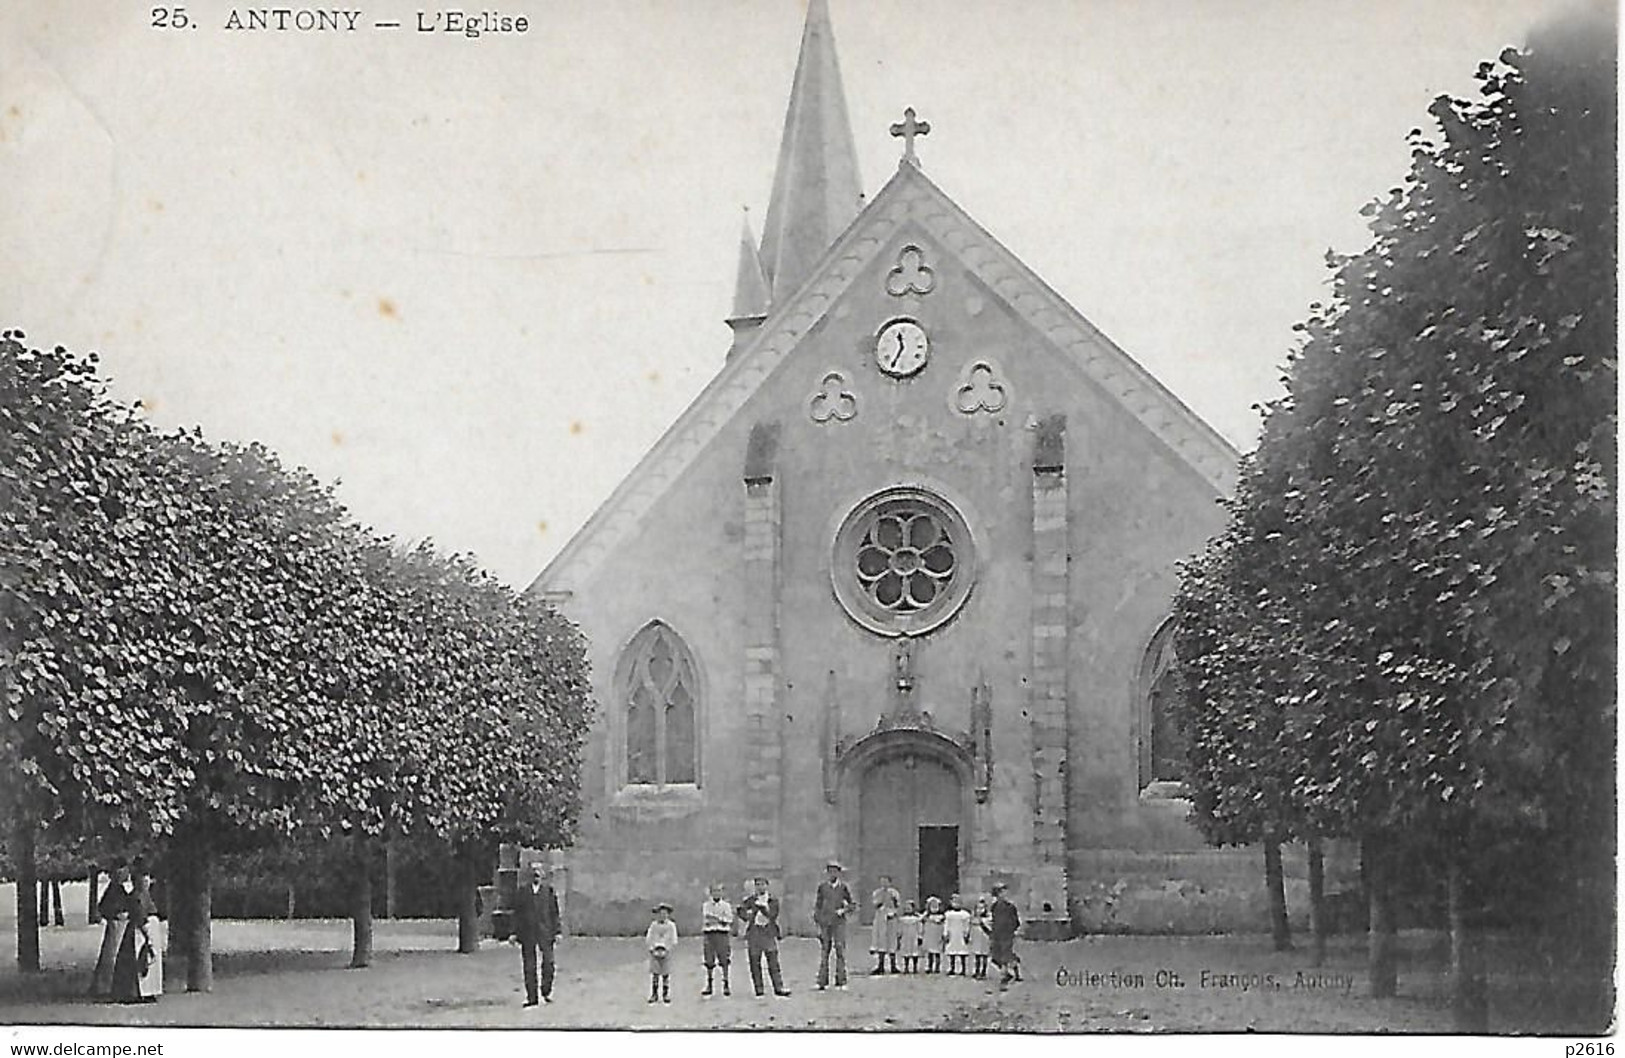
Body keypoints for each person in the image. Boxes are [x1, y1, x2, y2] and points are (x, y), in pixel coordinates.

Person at [111, 862, 161, 1003]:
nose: (147, 882)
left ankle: (148, 991)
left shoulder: (144, 896)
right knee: (138, 960)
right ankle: (135, 993)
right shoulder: (137, 896)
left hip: (146, 927)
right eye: (144, 880)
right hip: (139, 931)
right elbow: (140, 916)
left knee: (147, 961)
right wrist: (147, 935)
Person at [514, 862, 562, 1008]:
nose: (536, 874)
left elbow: (554, 913)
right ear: (530, 875)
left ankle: (546, 991)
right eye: (533, 871)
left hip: (545, 932)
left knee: (549, 963)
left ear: (543, 875)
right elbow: (518, 915)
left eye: (539, 871)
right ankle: (532, 997)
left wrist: (557, 932)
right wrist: (514, 933)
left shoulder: (548, 892)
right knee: (529, 966)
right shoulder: (522, 892)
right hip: (527, 933)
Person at [736, 876, 791, 998]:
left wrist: (763, 908)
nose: (760, 887)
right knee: (754, 961)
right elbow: (740, 910)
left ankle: (778, 987)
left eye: (762, 884)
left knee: (773, 961)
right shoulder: (750, 900)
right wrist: (747, 916)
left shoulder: (773, 901)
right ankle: (759, 988)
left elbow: (772, 915)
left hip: (768, 932)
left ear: (767, 886)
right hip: (755, 932)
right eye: (758, 884)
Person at [88, 861, 131, 997]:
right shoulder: (114, 890)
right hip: (116, 925)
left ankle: (106, 985)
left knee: (111, 955)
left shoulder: (118, 889)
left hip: (119, 925)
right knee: (111, 955)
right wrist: (115, 915)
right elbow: (104, 908)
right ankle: (105, 986)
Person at [812, 860, 855, 990]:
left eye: (835, 871)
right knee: (825, 952)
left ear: (838, 873)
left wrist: (844, 910)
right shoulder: (823, 887)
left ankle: (841, 981)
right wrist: (819, 922)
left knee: (840, 950)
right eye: (830, 871)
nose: (832, 874)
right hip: (826, 923)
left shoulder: (843, 888)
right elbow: (818, 906)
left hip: (839, 923)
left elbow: (852, 905)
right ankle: (822, 981)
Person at [700, 882, 734, 997]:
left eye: (719, 891)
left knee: (724, 959)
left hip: (722, 934)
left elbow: (728, 920)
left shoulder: (726, 906)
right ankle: (709, 984)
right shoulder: (706, 905)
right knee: (709, 960)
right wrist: (720, 919)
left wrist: (717, 919)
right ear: (710, 893)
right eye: (714, 891)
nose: (716, 893)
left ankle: (726, 984)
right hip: (710, 933)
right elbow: (707, 919)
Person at [990, 881, 1023, 989]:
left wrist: (1013, 930)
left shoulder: (1010, 907)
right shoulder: (994, 907)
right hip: (996, 934)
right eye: (1000, 893)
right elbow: (993, 920)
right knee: (995, 956)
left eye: (1004, 892)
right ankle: (1014, 968)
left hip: (1007, 934)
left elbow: (1016, 920)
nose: (1002, 895)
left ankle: (1005, 977)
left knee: (1005, 953)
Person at [646, 902, 678, 1004]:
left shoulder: (671, 926)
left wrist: (666, 949)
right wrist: (653, 949)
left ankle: (665, 993)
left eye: (665, 914)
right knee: (655, 973)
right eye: (660, 914)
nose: (662, 916)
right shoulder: (653, 926)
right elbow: (649, 938)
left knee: (665, 973)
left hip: (666, 952)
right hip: (655, 952)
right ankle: (654, 993)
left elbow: (673, 940)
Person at [869, 874, 901, 974]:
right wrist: (881, 900)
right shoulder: (877, 893)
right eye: (882, 881)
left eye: (886, 881)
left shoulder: (894, 893)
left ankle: (893, 965)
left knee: (892, 941)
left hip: (891, 918)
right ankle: (880, 965)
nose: (884, 883)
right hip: (881, 918)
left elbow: (897, 905)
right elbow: (875, 904)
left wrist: (892, 900)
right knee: (881, 940)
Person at [943, 893, 972, 976]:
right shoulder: (948, 914)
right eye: (954, 902)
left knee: (962, 952)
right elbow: (947, 924)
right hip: (952, 934)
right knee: (952, 952)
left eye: (958, 902)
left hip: (961, 934)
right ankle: (952, 968)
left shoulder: (965, 914)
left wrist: (966, 933)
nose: (956, 904)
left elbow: (966, 925)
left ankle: (963, 969)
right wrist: (946, 934)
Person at [920, 895, 946, 974]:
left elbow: (943, 925)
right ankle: (930, 966)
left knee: (937, 952)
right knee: (930, 953)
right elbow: (921, 919)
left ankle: (937, 967)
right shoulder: (926, 917)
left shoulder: (942, 917)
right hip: (929, 936)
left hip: (937, 936)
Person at [895, 899, 922, 973]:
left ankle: (915, 967)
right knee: (905, 952)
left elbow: (919, 928)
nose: (907, 910)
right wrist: (899, 936)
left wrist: (920, 936)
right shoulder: (902, 919)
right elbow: (900, 928)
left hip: (914, 937)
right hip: (905, 938)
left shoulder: (917, 919)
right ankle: (906, 967)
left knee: (914, 952)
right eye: (906, 908)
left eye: (909, 908)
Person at [969, 894, 993, 980]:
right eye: (978, 908)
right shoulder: (973, 918)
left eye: (982, 908)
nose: (980, 910)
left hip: (984, 937)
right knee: (977, 955)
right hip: (976, 938)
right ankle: (977, 971)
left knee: (984, 955)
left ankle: (983, 971)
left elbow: (990, 929)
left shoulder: (988, 918)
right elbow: (971, 928)